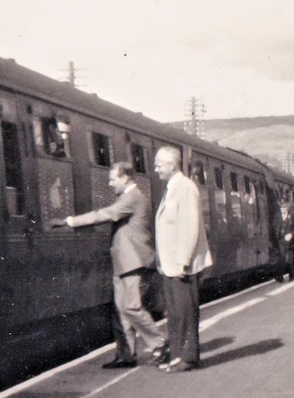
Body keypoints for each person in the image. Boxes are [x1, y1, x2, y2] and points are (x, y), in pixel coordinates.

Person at [51, 162, 168, 369]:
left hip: (135, 262)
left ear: (126, 178)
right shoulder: (128, 197)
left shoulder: (133, 198)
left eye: (113, 179)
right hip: (124, 263)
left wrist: (69, 221)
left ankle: (160, 344)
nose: (110, 183)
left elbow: (106, 214)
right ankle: (126, 354)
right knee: (121, 311)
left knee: (131, 307)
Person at [153, 146, 213, 373]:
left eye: (159, 164)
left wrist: (184, 261)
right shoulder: (172, 188)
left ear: (171, 165)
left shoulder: (185, 188)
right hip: (170, 264)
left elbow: (190, 226)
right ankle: (177, 356)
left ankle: (188, 357)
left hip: (180, 264)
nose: (155, 169)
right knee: (176, 312)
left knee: (186, 312)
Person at [275, 200, 294, 282]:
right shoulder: (277, 216)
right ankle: (280, 277)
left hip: (290, 241)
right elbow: (274, 226)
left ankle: (292, 276)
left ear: (287, 208)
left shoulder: (292, 217)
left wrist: (291, 234)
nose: (282, 209)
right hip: (281, 240)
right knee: (281, 259)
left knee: (290, 259)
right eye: (281, 208)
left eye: (284, 208)